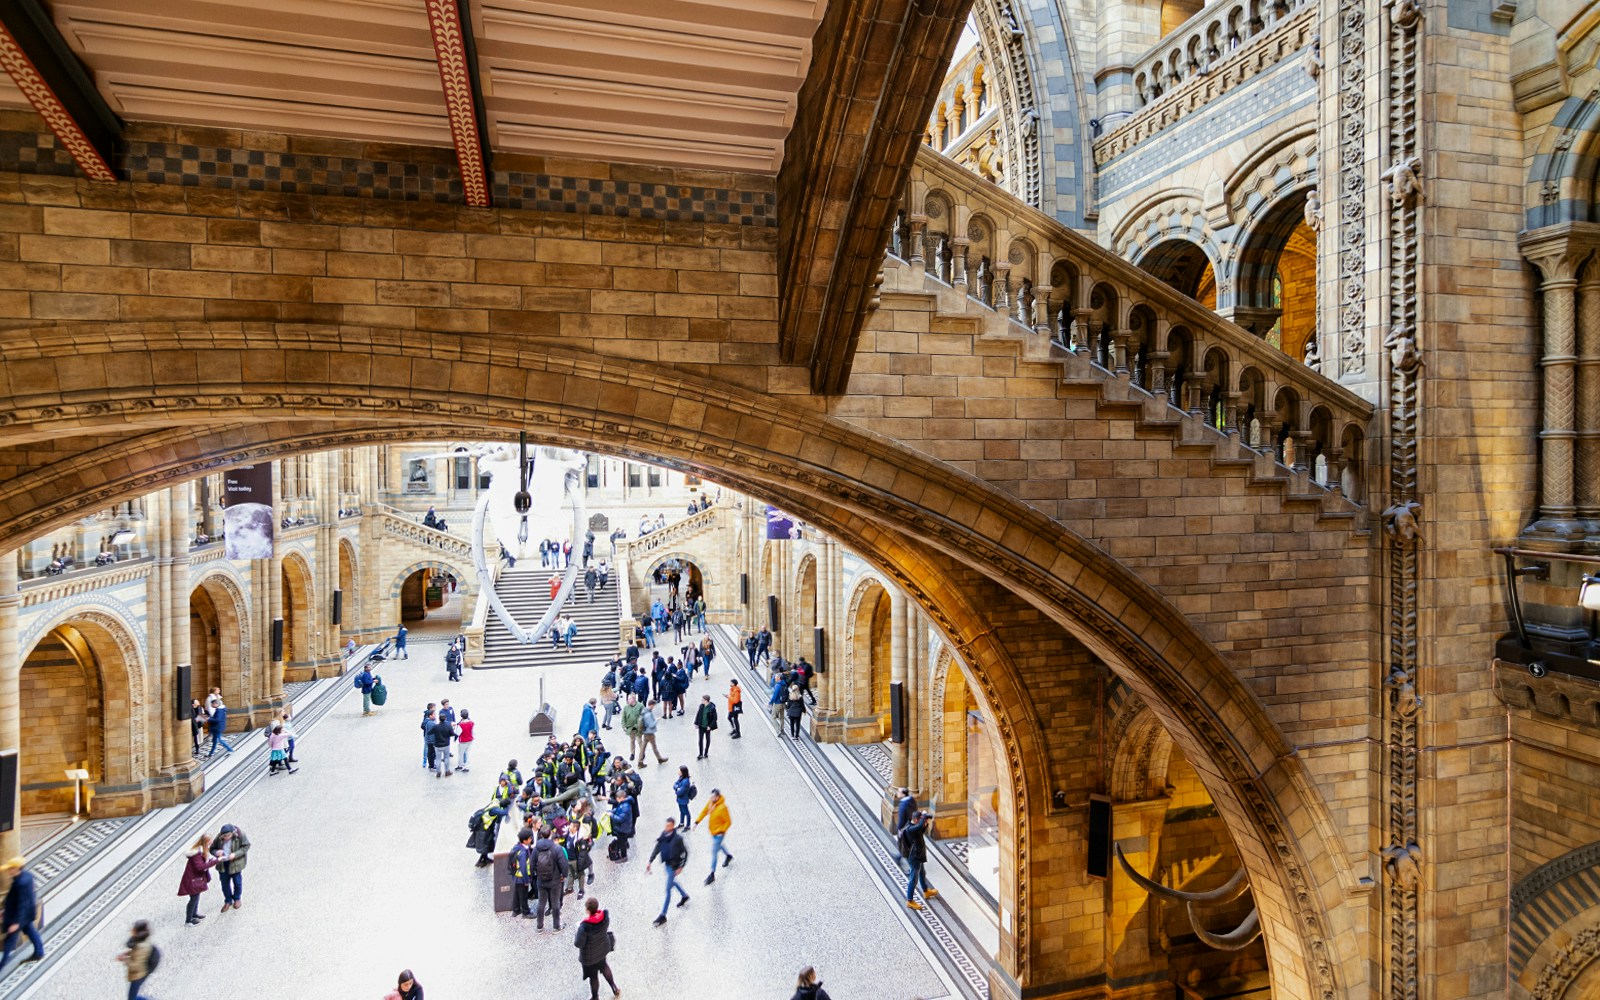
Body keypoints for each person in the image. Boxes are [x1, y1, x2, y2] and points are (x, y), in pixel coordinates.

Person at [573, 896, 620, 1000]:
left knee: (593, 977)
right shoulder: (605, 918)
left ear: (588, 910)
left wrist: (578, 931)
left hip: (590, 957)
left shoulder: (584, 927)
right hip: (602, 949)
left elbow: (578, 943)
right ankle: (614, 987)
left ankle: (595, 997)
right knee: (604, 967)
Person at [646, 817, 690, 926]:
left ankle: (663, 915)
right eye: (666, 826)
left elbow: (685, 853)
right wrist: (650, 861)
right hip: (667, 864)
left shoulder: (678, 839)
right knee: (672, 882)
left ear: (673, 826)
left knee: (668, 890)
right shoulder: (663, 836)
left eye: (669, 826)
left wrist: (681, 866)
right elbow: (657, 848)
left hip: (674, 866)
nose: (667, 828)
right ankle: (684, 895)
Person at [0, 857, 42, 970]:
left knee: (9, 942)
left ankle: (1, 965)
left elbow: (21, 904)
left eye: (10, 869)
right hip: (27, 914)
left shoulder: (20, 882)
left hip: (18, 918)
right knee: (31, 931)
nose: (8, 871)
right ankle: (39, 951)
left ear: (16, 868)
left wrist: (16, 923)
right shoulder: (26, 876)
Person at [533, 826, 570, 932]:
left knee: (541, 903)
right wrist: (564, 875)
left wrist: (536, 874)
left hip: (541, 880)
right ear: (550, 835)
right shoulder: (557, 848)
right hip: (555, 880)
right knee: (555, 903)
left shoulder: (536, 848)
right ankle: (556, 926)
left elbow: (532, 863)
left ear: (541, 835)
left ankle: (539, 927)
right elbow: (563, 864)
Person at [899, 809, 938, 910]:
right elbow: (919, 827)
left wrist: (925, 823)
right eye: (920, 819)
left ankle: (925, 891)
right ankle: (910, 900)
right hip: (914, 857)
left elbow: (920, 830)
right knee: (913, 879)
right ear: (916, 820)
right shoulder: (910, 829)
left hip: (918, 855)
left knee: (922, 873)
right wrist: (924, 819)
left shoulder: (914, 826)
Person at [179, 833, 219, 924]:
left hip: (196, 879)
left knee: (196, 897)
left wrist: (211, 860)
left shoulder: (200, 851)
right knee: (193, 899)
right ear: (206, 842)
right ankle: (188, 920)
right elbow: (200, 867)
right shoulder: (196, 854)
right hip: (193, 880)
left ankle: (194, 914)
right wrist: (216, 861)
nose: (211, 843)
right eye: (209, 842)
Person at [696, 788, 734, 885]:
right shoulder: (711, 803)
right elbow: (704, 812)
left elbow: (728, 822)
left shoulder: (723, 807)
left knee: (714, 852)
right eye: (711, 797)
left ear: (717, 797)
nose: (712, 798)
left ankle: (712, 874)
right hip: (713, 832)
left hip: (719, 834)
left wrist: (721, 830)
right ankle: (728, 856)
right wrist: (697, 821)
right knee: (719, 846)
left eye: (713, 797)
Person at [213, 824, 250, 911]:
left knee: (237, 882)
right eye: (223, 836)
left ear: (232, 833)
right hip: (223, 864)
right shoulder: (219, 838)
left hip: (235, 863)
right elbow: (212, 848)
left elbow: (246, 846)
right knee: (224, 884)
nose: (225, 838)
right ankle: (228, 900)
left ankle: (237, 898)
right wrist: (216, 852)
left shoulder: (240, 835)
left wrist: (235, 854)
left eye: (227, 836)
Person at [116, 920, 156, 1000]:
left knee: (132, 998)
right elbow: (135, 951)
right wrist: (127, 954)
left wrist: (125, 959)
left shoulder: (142, 946)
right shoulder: (140, 941)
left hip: (138, 975)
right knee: (132, 997)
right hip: (137, 975)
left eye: (133, 929)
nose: (131, 930)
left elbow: (136, 966)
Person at [509, 828, 535, 919]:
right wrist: (526, 880)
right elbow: (524, 867)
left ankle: (516, 910)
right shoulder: (523, 852)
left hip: (516, 875)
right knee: (523, 895)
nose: (531, 839)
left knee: (516, 893)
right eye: (530, 838)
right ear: (525, 840)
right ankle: (525, 912)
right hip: (522, 877)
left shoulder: (517, 847)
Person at [637, 701, 668, 768]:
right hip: (650, 733)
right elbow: (651, 725)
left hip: (645, 732)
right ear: (651, 705)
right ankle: (659, 759)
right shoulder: (648, 715)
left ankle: (640, 761)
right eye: (653, 706)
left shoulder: (644, 712)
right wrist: (657, 720)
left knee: (643, 747)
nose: (654, 707)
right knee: (654, 747)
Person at [205, 687, 234, 756]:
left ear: (216, 704)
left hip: (218, 727)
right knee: (215, 740)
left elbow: (218, 720)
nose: (211, 706)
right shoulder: (219, 709)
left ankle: (230, 749)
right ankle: (210, 753)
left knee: (219, 740)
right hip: (217, 727)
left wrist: (209, 719)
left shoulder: (219, 711)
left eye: (212, 704)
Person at [693, 693, 717, 759]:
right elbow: (698, 714)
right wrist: (696, 723)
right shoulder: (701, 706)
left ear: (706, 700)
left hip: (707, 727)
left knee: (708, 739)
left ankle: (706, 752)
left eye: (703, 700)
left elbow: (715, 718)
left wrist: (710, 726)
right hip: (701, 726)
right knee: (700, 740)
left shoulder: (712, 708)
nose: (702, 701)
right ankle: (700, 754)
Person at [432, 711, 455, 778]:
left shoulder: (436, 726)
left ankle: (438, 772)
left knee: (438, 759)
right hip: (446, 744)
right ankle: (447, 771)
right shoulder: (448, 726)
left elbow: (430, 732)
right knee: (446, 758)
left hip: (438, 745)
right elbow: (452, 734)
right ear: (445, 719)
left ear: (439, 719)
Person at [672, 765, 695, 830]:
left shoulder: (686, 782)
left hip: (683, 800)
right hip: (680, 799)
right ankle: (681, 823)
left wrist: (676, 788)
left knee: (686, 812)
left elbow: (679, 792)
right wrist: (677, 788)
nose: (678, 772)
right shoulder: (681, 778)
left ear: (683, 772)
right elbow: (674, 785)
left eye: (679, 771)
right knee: (681, 811)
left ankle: (688, 825)